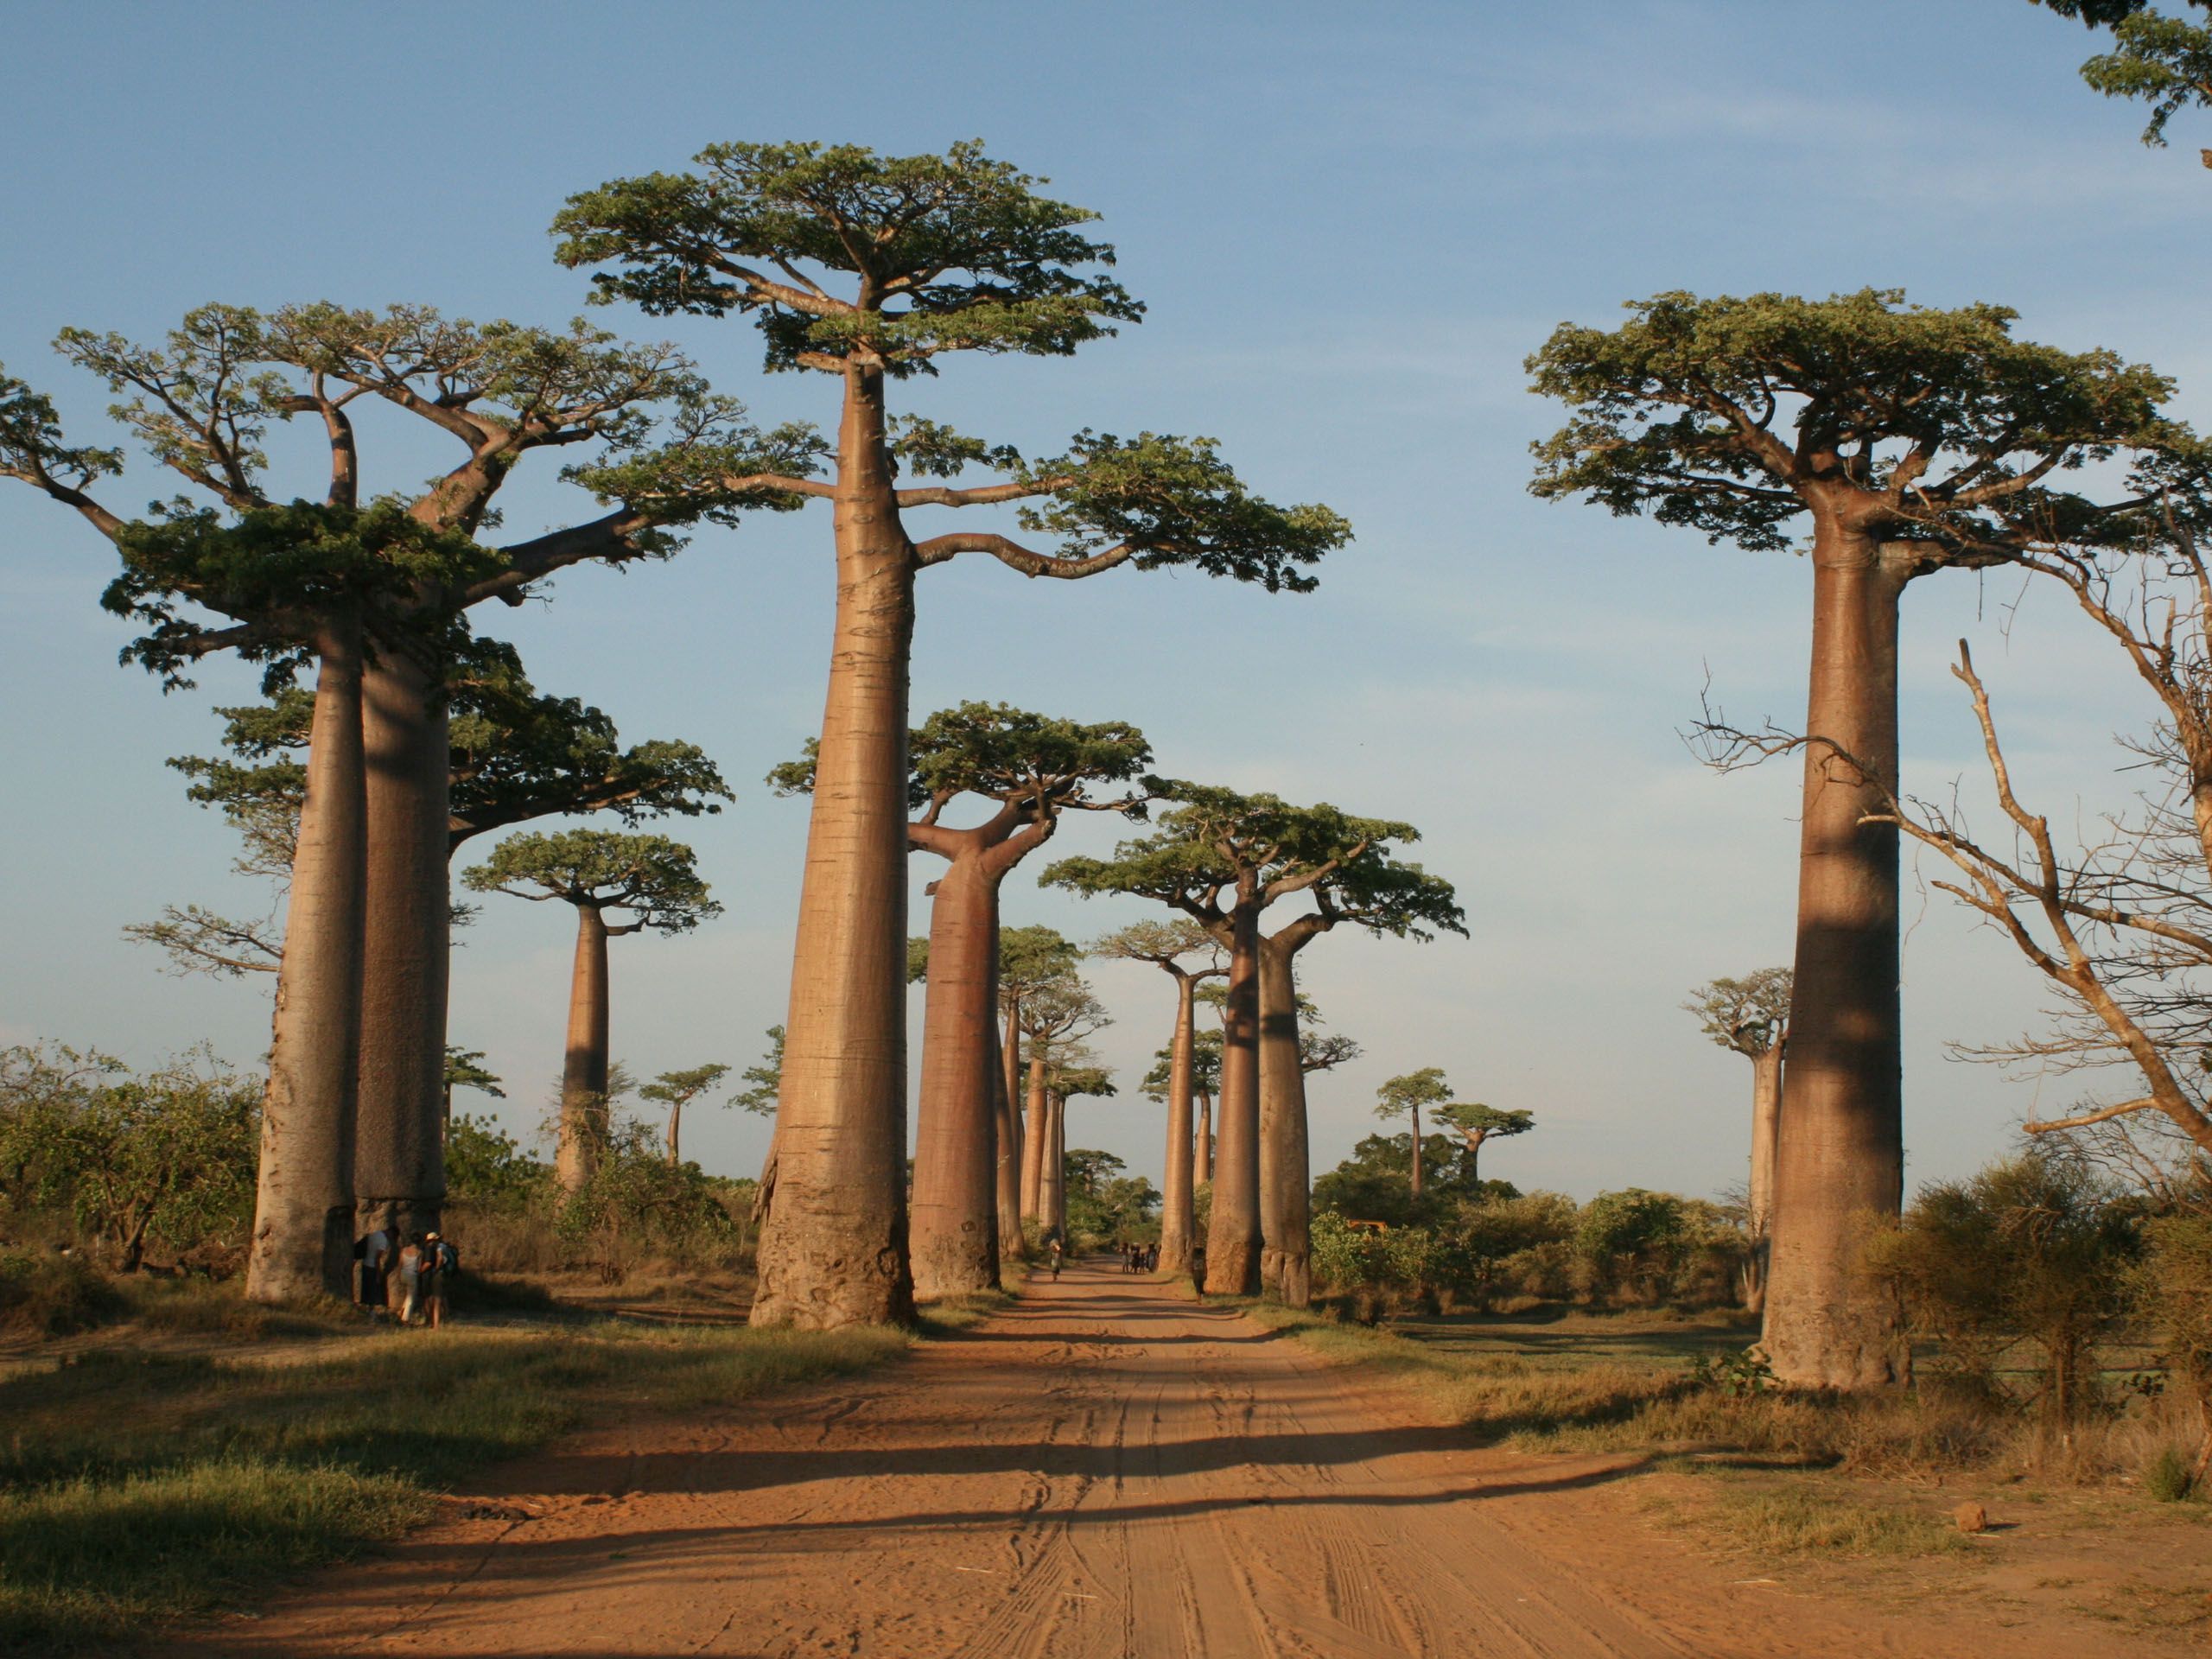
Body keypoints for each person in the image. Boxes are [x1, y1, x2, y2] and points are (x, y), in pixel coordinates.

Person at [421, 1230, 456, 1329]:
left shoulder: (440, 1247)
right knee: (442, 1296)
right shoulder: (445, 1246)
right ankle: (446, 1318)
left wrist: (435, 1270)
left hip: (439, 1274)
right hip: (445, 1274)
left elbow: (440, 1259)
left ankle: (436, 1325)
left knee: (437, 1299)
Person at [396, 1234, 426, 1325]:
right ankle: (405, 1319)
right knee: (411, 1298)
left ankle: (401, 1311)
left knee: (409, 1295)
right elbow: (419, 1267)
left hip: (403, 1273)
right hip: (412, 1275)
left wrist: (398, 1275)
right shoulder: (420, 1252)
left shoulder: (404, 1250)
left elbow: (400, 1264)